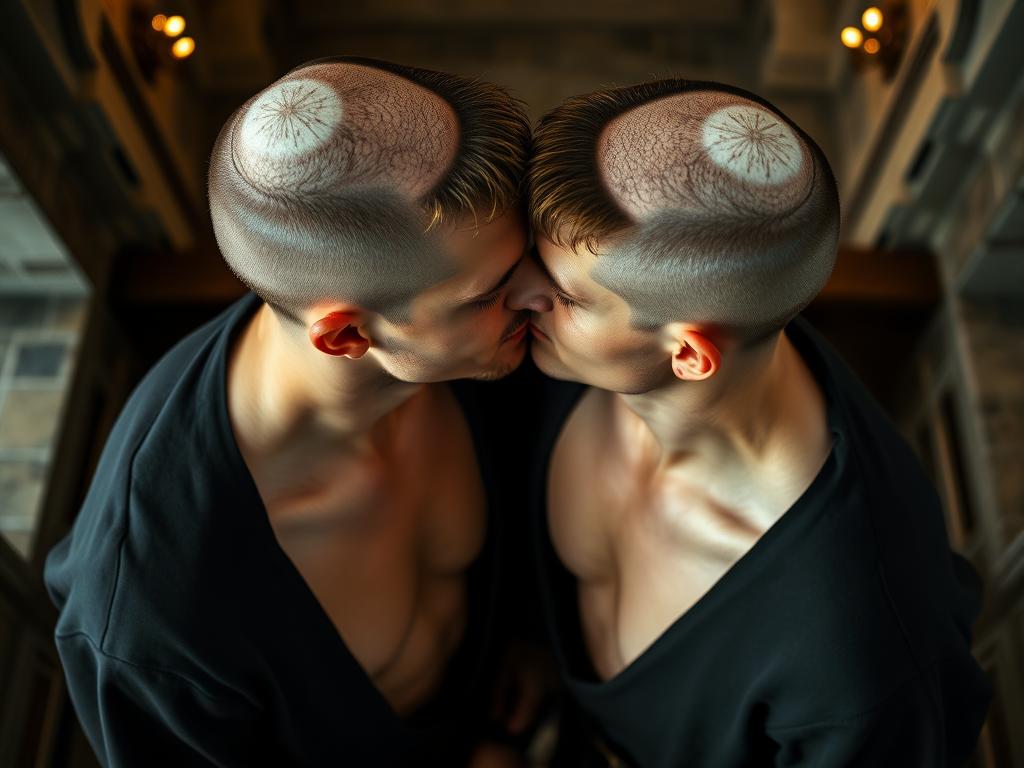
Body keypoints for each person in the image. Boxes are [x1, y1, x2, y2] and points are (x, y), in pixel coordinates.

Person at [43, 55, 542, 766]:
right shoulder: (155, 606)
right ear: (346, 335)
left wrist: (524, 637)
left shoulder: (463, 346)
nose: (536, 292)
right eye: (487, 294)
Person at [508, 79, 993, 766]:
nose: (517, 293)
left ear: (689, 353)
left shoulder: (860, 648)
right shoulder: (588, 359)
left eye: (562, 296)